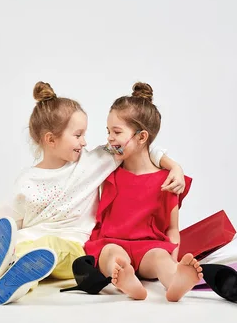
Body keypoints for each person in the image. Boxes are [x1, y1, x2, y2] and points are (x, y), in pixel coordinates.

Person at [0, 81, 186, 305]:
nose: (86, 142)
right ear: (50, 139)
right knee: (23, 248)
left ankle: (17, 276)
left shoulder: (93, 162)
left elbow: (139, 144)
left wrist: (174, 166)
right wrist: (2, 244)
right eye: (78, 135)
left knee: (46, 250)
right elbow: (8, 221)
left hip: (73, 245)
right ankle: (5, 274)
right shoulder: (26, 180)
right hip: (32, 243)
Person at [84, 82, 202, 302]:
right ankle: (125, 279)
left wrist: (172, 257)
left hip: (149, 248)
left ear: (142, 137)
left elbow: (172, 228)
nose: (110, 137)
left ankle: (175, 280)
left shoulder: (168, 180)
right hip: (110, 241)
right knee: (113, 255)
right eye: (108, 131)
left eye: (117, 132)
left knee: (160, 258)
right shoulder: (107, 171)